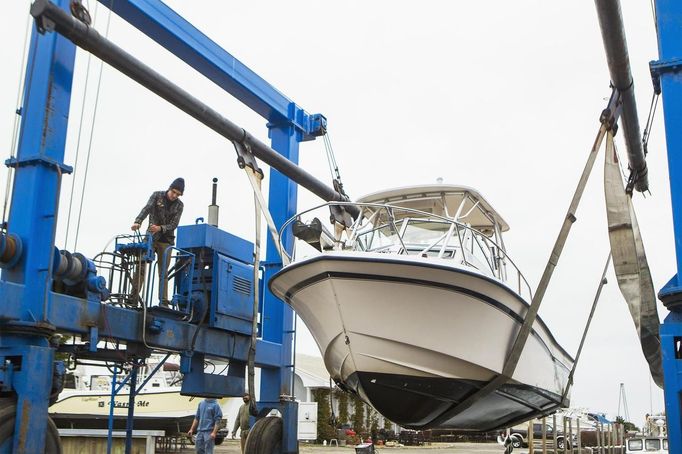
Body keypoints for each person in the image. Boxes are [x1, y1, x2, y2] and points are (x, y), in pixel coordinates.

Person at [130, 178, 185, 306]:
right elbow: (147, 208)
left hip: (167, 241)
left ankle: (163, 301)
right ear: (169, 188)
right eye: (174, 192)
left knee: (163, 272)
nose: (175, 196)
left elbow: (174, 224)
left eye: (178, 194)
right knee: (141, 265)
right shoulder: (157, 195)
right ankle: (133, 298)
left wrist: (160, 228)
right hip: (151, 236)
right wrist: (138, 221)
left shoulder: (180, 205)